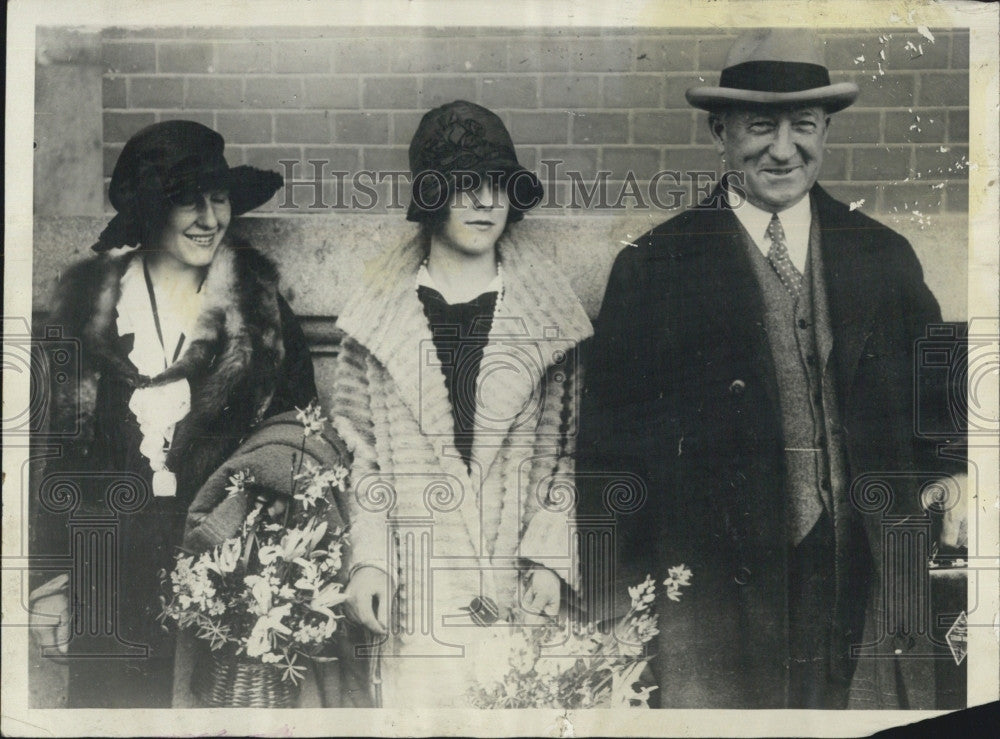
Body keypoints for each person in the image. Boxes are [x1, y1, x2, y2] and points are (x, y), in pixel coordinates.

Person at [577, 29, 966, 709]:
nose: (783, 149)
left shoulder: (884, 256)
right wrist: (618, 601)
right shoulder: (655, 266)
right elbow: (610, 451)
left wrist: (952, 469)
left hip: (863, 572)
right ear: (719, 130)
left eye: (804, 126)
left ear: (826, 132)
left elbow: (941, 397)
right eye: (760, 126)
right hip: (717, 591)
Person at [28, 120, 317, 708]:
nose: (209, 219)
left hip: (217, 588)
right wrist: (50, 585)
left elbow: (299, 439)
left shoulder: (258, 314)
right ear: (151, 210)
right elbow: (54, 455)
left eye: (219, 199)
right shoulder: (86, 309)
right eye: (189, 201)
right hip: (106, 584)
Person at [335, 100, 593, 707]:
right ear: (431, 197)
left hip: (520, 594)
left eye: (498, 186)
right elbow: (360, 457)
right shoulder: (378, 322)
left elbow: (569, 457)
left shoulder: (550, 320)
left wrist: (550, 560)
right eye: (464, 186)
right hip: (418, 596)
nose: (484, 203)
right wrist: (369, 561)